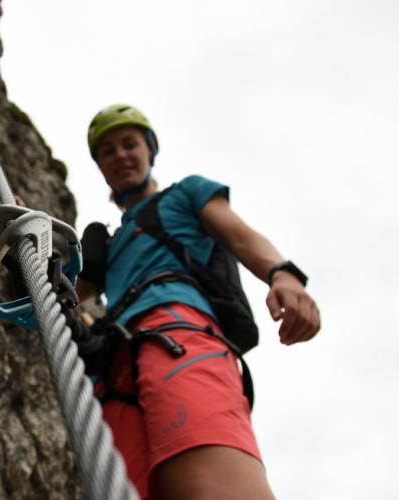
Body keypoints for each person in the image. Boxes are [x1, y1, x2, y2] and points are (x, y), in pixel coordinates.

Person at [74, 104, 321, 500]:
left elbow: (239, 235)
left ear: (150, 151)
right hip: (115, 367)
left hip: (178, 336)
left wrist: (282, 273)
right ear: (100, 166)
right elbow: (73, 305)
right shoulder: (104, 245)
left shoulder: (185, 194)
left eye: (128, 143)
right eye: (107, 151)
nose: (120, 155)